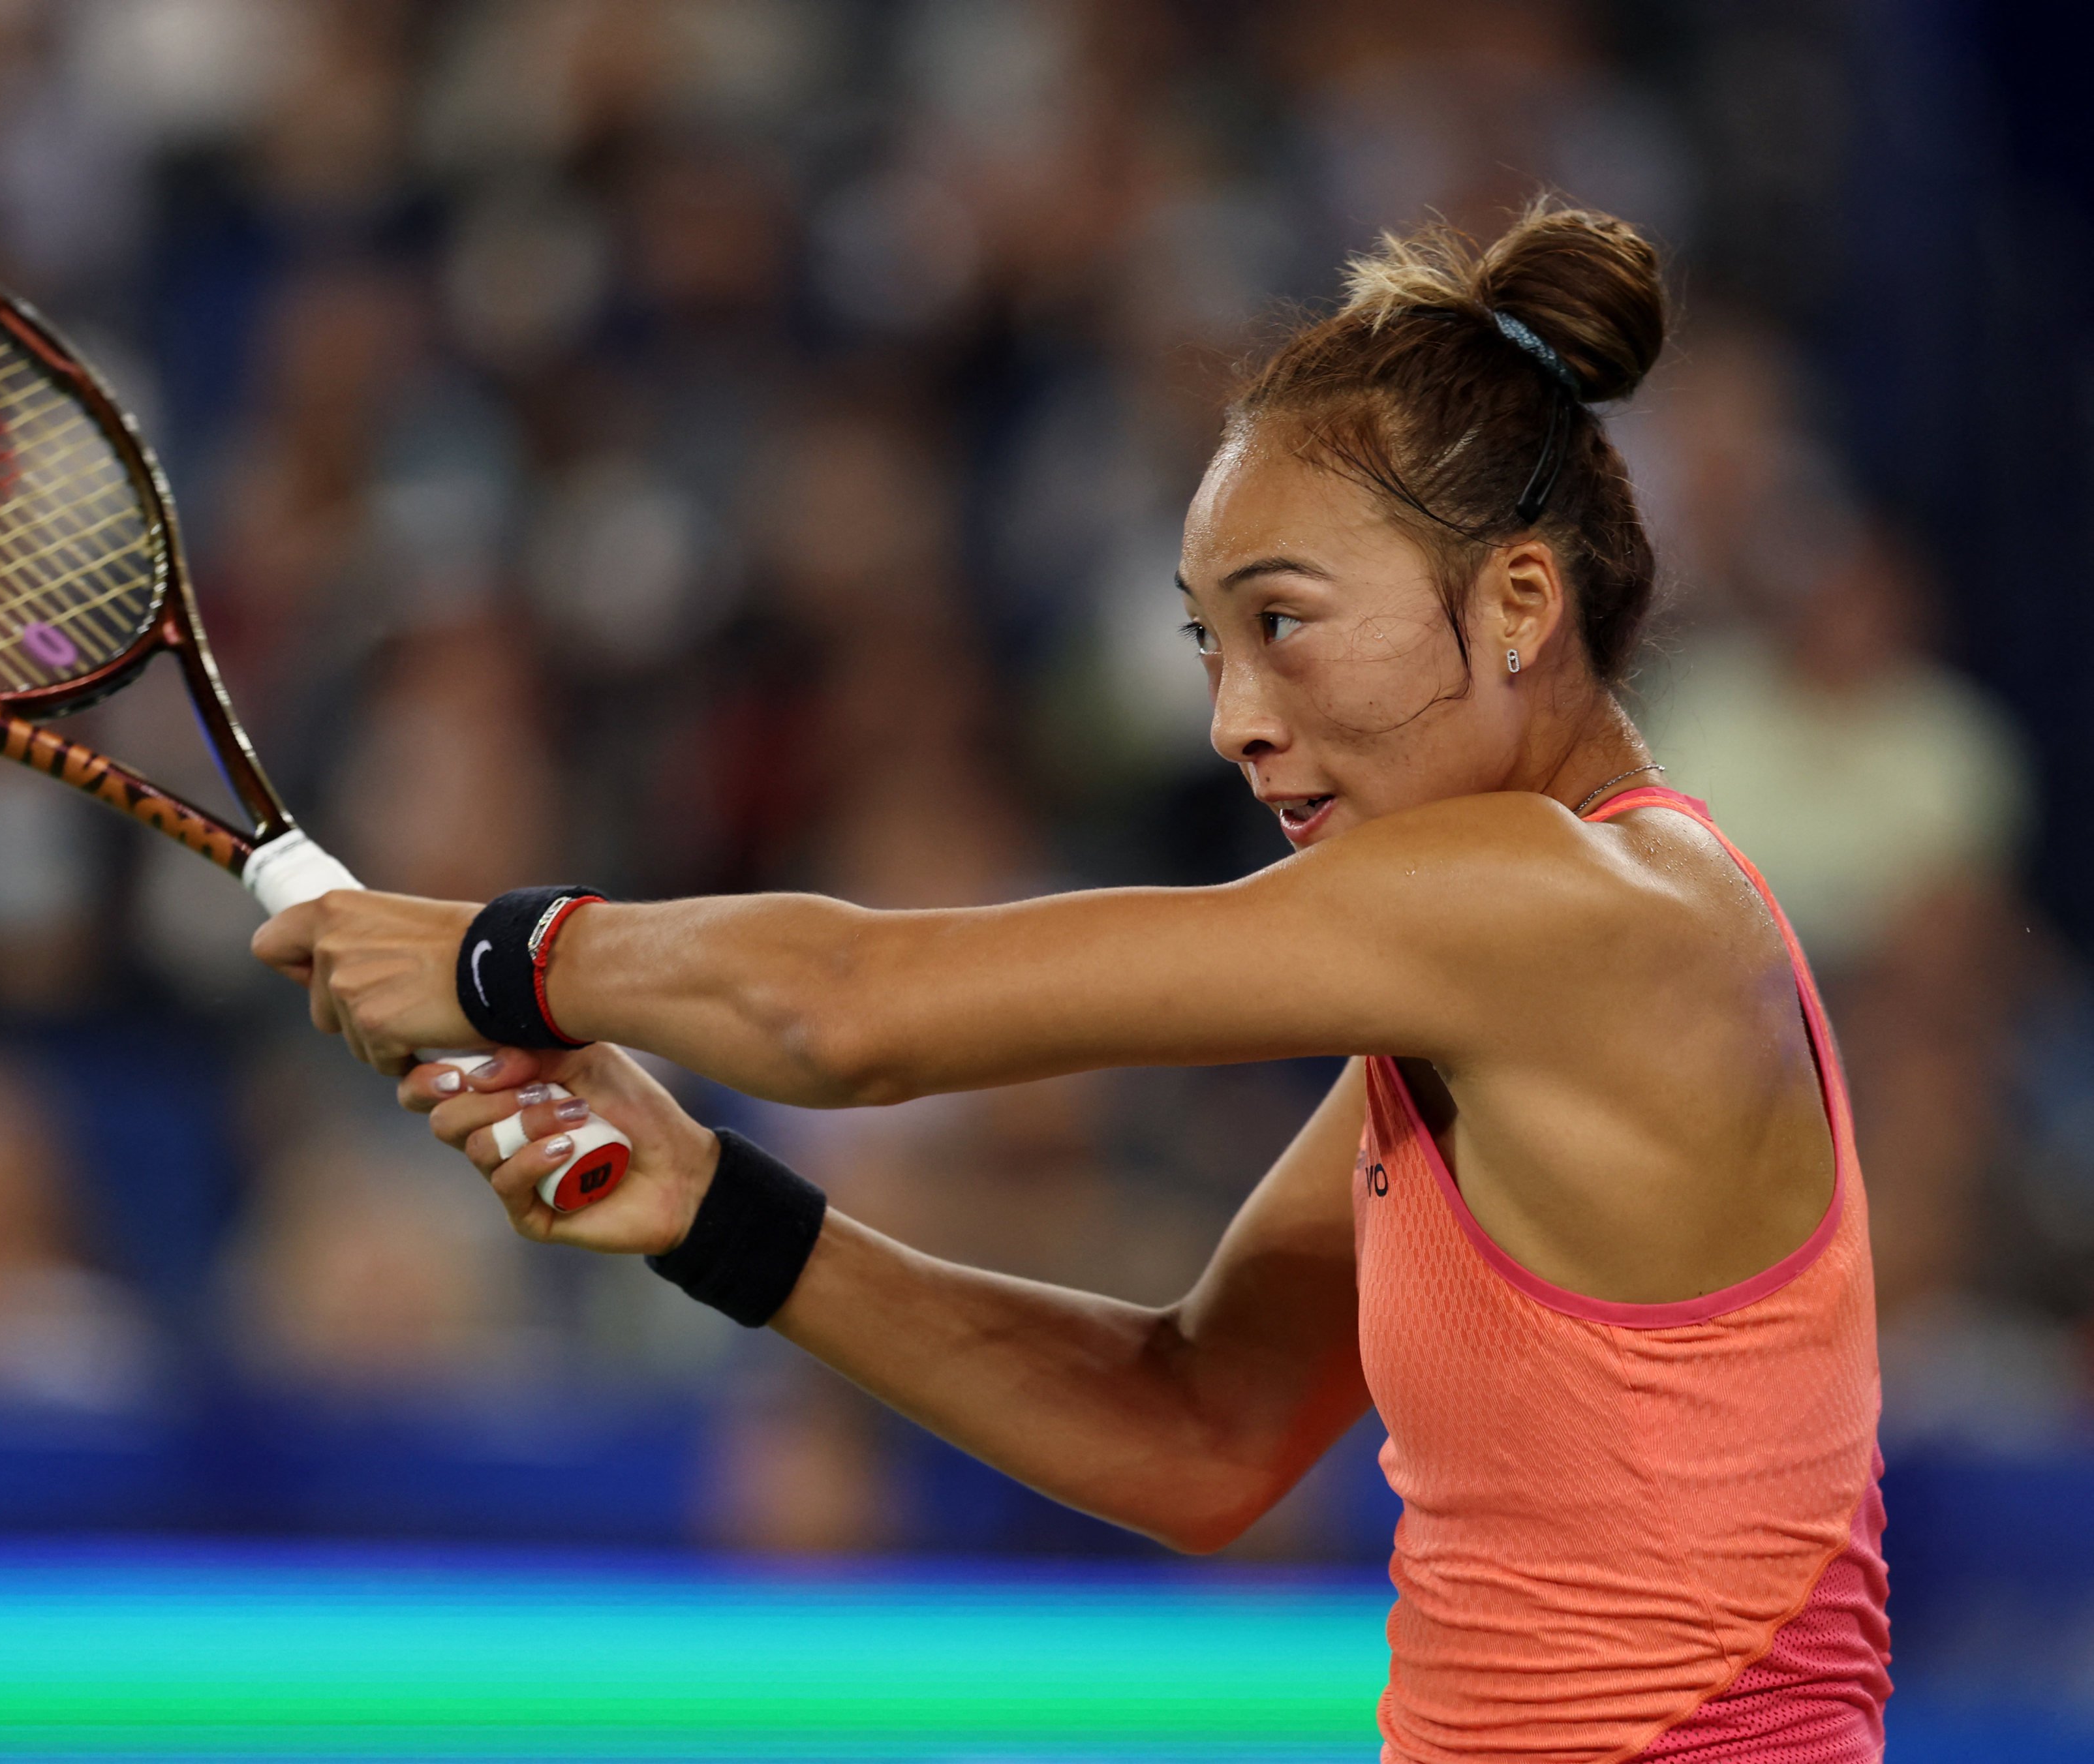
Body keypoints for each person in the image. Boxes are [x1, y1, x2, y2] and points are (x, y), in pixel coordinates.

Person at [254, 204, 1887, 1762]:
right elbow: (1197, 1433)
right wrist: (705, 1206)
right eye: (1207, 642)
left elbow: (847, 1008)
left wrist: (501, 953)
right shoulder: (1509, 967)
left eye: (1284, 622)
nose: (1232, 716)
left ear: (1518, 601)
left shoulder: (1572, 909)